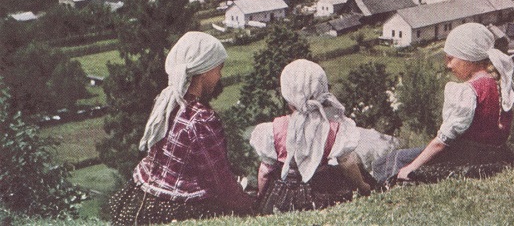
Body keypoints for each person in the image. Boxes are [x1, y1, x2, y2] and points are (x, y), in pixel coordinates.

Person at [108, 31, 254, 225]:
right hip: (175, 207)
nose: (220, 76)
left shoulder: (166, 102)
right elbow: (220, 182)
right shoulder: (201, 118)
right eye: (218, 69)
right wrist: (249, 206)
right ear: (203, 71)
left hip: (141, 197)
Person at [373, 23, 514, 184]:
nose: (448, 65)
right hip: (494, 155)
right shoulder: (500, 84)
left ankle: (379, 191)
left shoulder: (469, 91)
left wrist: (411, 168)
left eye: (451, 59)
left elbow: (441, 143)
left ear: (468, 59)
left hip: (466, 159)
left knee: (397, 159)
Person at [251, 59, 376, 213]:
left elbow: (265, 171)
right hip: (321, 191)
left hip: (283, 196)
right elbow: (348, 164)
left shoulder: (273, 129)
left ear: (289, 100)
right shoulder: (332, 129)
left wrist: (261, 195)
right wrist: (362, 186)